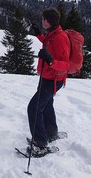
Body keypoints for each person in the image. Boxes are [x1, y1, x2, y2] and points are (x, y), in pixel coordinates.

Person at [27, 8, 71, 156]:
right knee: (46, 105)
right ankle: (50, 133)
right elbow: (48, 42)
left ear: (47, 21)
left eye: (43, 19)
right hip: (47, 77)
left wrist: (51, 61)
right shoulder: (53, 34)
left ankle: (40, 144)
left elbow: (66, 65)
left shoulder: (60, 37)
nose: (41, 21)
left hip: (52, 79)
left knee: (34, 108)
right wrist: (39, 34)